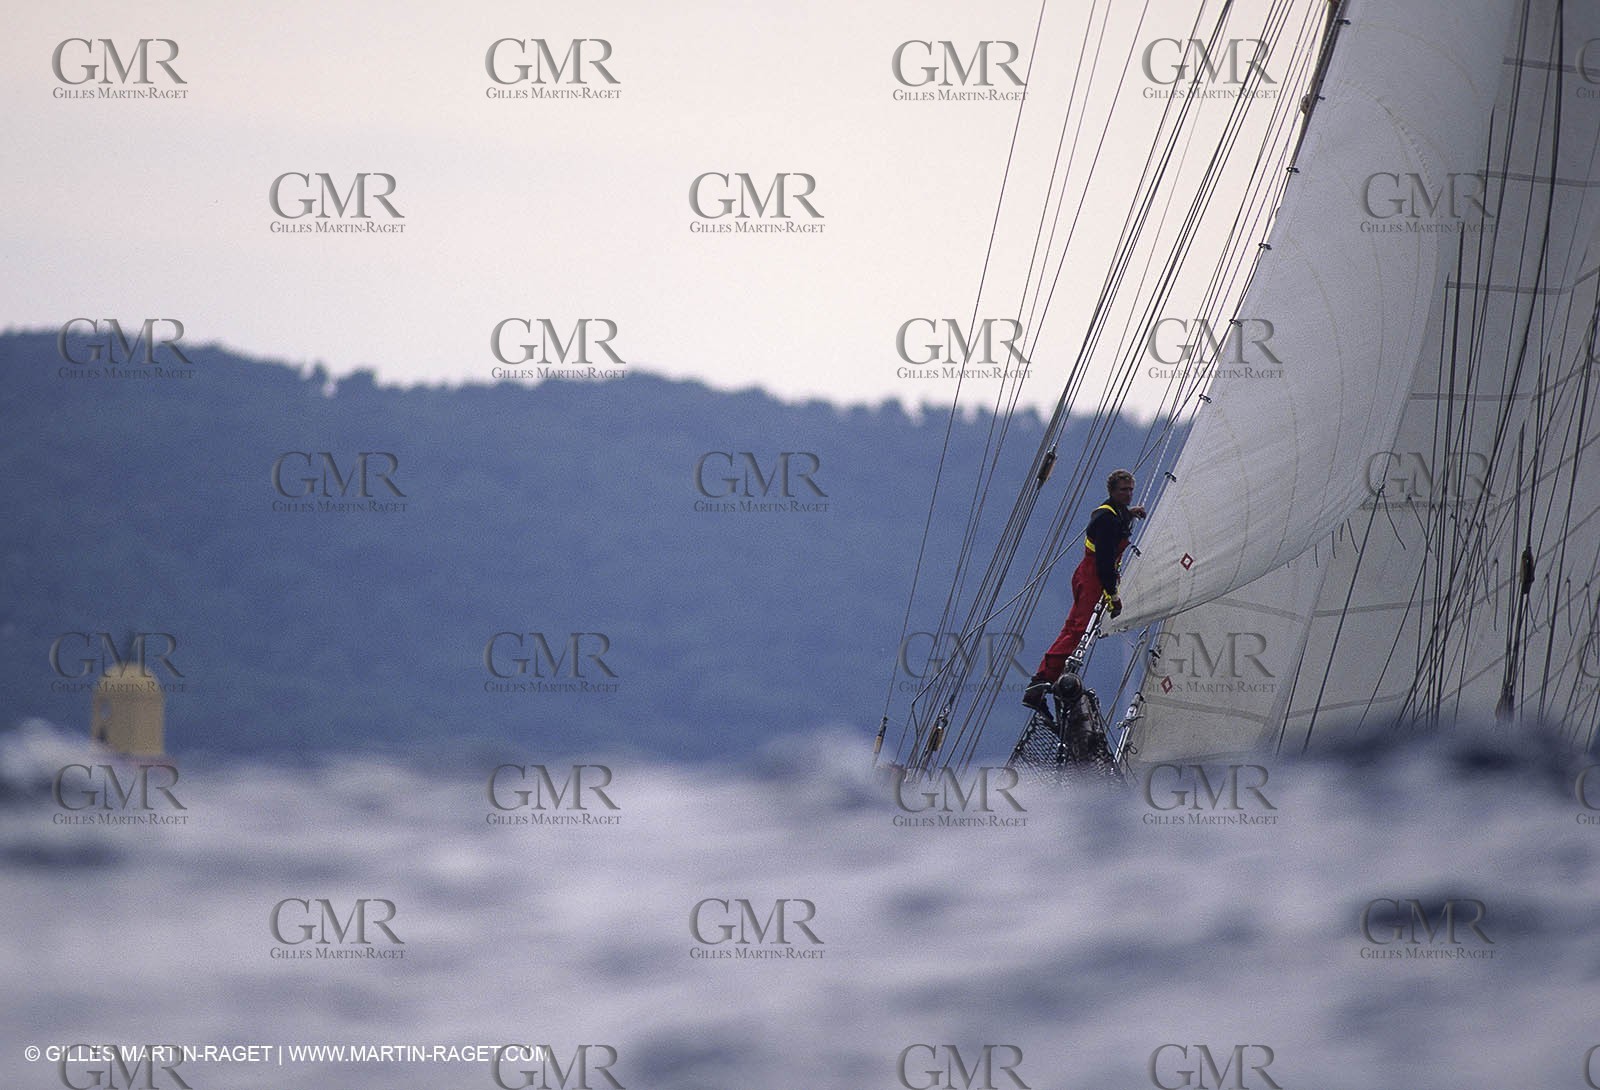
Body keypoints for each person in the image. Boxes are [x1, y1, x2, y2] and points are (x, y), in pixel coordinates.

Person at [1023, 469, 1146, 716]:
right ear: (1112, 491)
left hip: (1090, 575)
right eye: (1123, 490)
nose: (1129, 494)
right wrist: (1112, 596)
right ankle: (1040, 682)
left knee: (1073, 629)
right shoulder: (1107, 519)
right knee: (1078, 631)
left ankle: (1045, 679)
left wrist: (1130, 513)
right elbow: (1104, 561)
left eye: (1131, 490)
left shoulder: (1114, 514)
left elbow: (1115, 520)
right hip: (1093, 578)